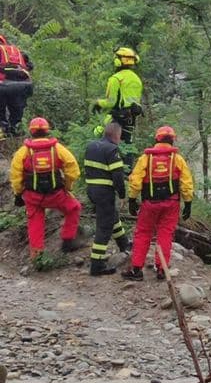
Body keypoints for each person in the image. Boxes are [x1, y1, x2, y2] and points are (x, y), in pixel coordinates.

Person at [122, 126, 193, 281]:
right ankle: (162, 270)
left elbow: (135, 181)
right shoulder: (177, 159)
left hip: (149, 204)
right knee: (165, 234)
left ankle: (136, 270)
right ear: (172, 140)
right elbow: (186, 183)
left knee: (143, 233)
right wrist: (188, 203)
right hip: (171, 203)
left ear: (156, 139)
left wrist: (132, 200)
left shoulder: (146, 159)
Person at [9, 117, 82, 258]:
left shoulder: (22, 152)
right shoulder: (58, 149)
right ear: (47, 131)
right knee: (74, 208)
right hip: (57, 195)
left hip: (32, 197)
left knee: (35, 222)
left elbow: (15, 176)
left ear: (31, 131)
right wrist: (67, 187)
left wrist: (18, 194)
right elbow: (73, 170)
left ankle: (37, 256)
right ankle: (67, 241)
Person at [84, 122, 131, 276]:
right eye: (120, 136)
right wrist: (123, 194)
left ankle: (125, 244)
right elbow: (117, 175)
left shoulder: (92, 146)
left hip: (92, 190)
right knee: (104, 228)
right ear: (116, 135)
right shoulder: (112, 149)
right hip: (104, 192)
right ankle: (97, 265)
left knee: (112, 216)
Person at [92, 47, 143, 168]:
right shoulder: (136, 79)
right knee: (127, 146)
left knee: (98, 135)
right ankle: (127, 173)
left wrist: (98, 103)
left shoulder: (115, 79)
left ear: (118, 61)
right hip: (131, 120)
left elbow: (111, 102)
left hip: (117, 119)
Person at [0, 34, 34, 137]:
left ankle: (3, 129)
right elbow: (30, 66)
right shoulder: (15, 51)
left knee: (1, 113)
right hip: (24, 85)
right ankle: (15, 129)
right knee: (16, 112)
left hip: (3, 85)